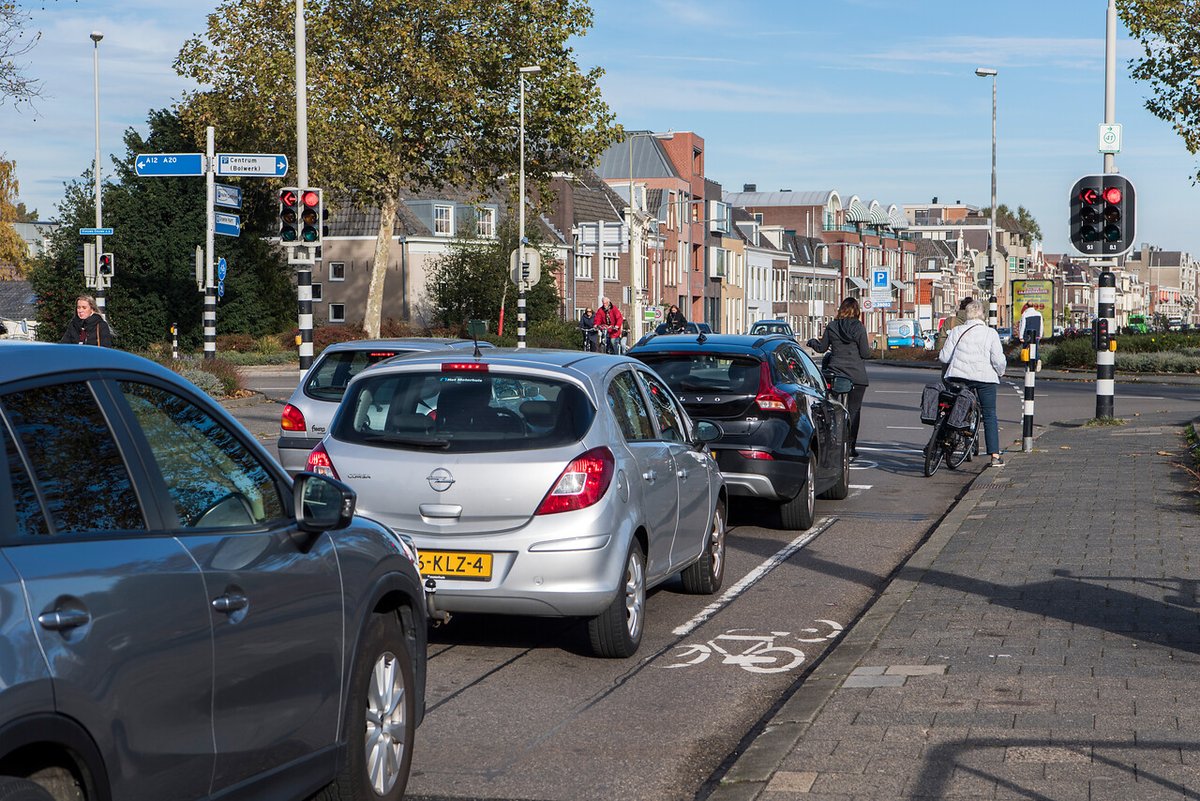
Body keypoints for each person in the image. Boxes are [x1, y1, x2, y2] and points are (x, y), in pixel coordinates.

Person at [939, 298, 1007, 468]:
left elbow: (944, 357)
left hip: (959, 377)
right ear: (983, 315)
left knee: (952, 409)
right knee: (990, 414)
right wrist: (1000, 372)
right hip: (985, 379)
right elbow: (998, 360)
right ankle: (995, 456)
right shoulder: (991, 333)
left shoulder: (956, 331)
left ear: (967, 314)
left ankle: (942, 442)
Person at [807, 297, 871, 459]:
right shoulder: (859, 328)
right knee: (854, 410)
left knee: (833, 408)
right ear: (856, 311)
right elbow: (865, 353)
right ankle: (851, 447)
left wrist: (813, 342)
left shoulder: (832, 326)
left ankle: (832, 442)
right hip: (857, 376)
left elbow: (821, 348)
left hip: (836, 374)